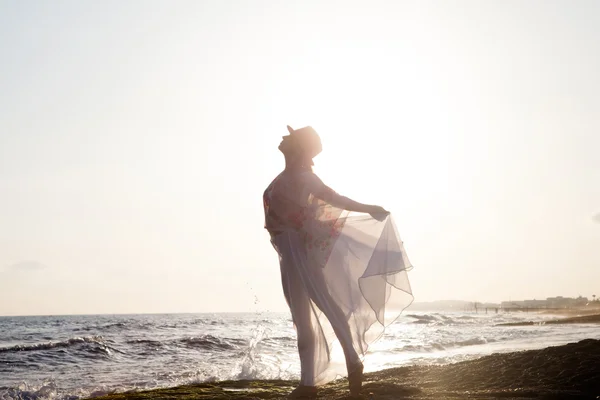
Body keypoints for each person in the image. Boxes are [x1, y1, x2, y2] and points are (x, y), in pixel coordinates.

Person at [263, 125, 413, 398]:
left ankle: (354, 363)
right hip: (287, 252)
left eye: (290, 137)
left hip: (298, 248)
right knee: (301, 318)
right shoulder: (283, 177)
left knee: (328, 307)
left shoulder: (306, 177)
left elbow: (335, 199)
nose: (283, 138)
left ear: (298, 147)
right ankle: (308, 383)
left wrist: (369, 208)